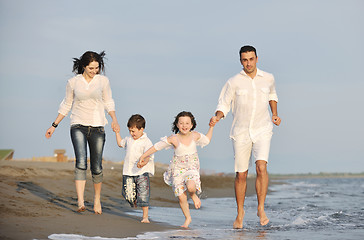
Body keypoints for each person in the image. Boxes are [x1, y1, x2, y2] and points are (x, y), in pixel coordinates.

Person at [209, 45, 281, 229]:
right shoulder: (233, 82)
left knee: (261, 166)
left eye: (251, 59)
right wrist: (217, 116)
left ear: (257, 58)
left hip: (263, 129)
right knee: (241, 175)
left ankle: (261, 208)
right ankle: (240, 212)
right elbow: (223, 104)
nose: (248, 63)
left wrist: (274, 113)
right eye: (244, 60)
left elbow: (272, 95)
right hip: (240, 132)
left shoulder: (268, 78)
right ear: (240, 61)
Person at [45, 51, 120, 214]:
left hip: (98, 126)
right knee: (80, 162)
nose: (95, 71)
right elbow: (66, 104)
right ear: (84, 67)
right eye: (91, 68)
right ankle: (80, 202)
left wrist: (114, 119)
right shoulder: (73, 82)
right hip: (78, 125)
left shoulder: (103, 81)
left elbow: (108, 101)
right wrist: (54, 125)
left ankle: (97, 200)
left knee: (97, 166)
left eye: (97, 68)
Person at [138, 111, 214, 228]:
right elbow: (157, 147)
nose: (184, 126)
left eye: (187, 123)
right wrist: (144, 155)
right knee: (181, 196)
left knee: (190, 186)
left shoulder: (195, 135)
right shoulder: (174, 138)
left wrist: (211, 127)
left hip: (191, 167)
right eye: (181, 123)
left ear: (192, 124)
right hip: (177, 169)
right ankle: (188, 218)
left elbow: (207, 140)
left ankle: (194, 195)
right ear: (177, 125)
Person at [115, 114, 154, 223]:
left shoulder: (146, 141)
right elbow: (120, 143)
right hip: (128, 172)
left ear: (141, 129)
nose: (131, 134)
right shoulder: (128, 139)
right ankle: (134, 201)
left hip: (142, 172)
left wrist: (144, 162)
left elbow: (149, 155)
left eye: (133, 131)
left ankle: (145, 217)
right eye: (130, 131)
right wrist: (117, 132)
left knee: (143, 194)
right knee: (127, 194)